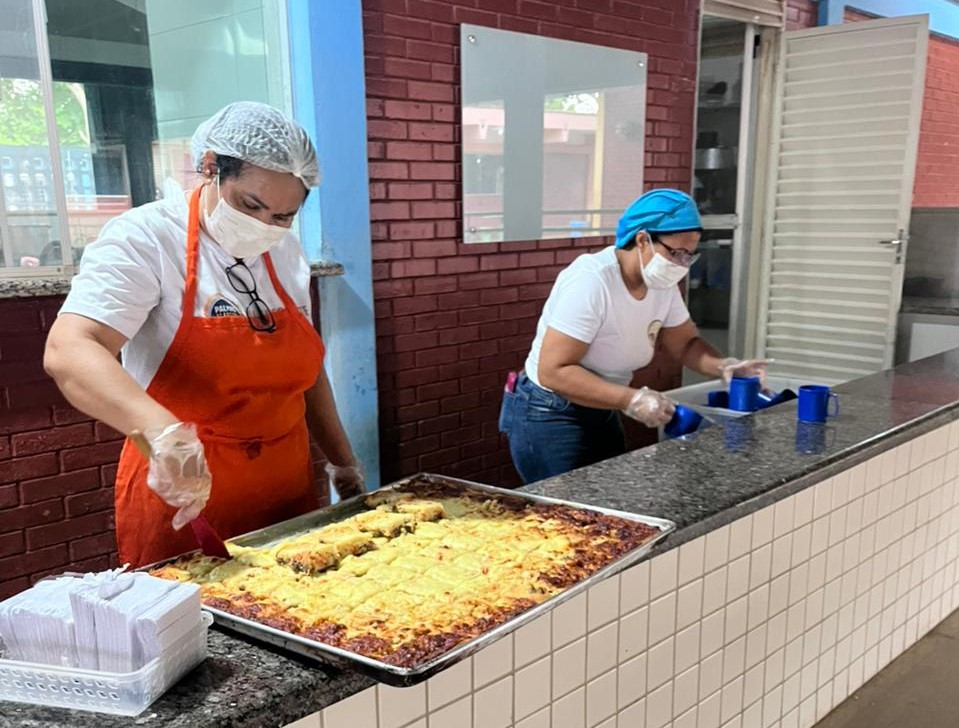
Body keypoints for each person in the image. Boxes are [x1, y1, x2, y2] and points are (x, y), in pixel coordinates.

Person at [44, 102, 363, 567]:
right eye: (250, 205)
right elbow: (70, 349)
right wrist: (162, 434)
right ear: (211, 166)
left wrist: (342, 460)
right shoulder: (146, 238)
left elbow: (306, 372)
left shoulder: (286, 252)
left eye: (283, 216)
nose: (264, 226)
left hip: (286, 486)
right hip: (187, 495)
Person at [500, 188, 767, 483]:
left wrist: (723, 366)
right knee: (565, 507)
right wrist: (632, 399)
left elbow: (685, 343)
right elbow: (554, 371)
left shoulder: (661, 284)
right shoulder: (592, 281)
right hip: (549, 409)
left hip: (602, 402)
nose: (681, 264)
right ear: (642, 240)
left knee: (611, 497)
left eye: (689, 256)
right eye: (675, 253)